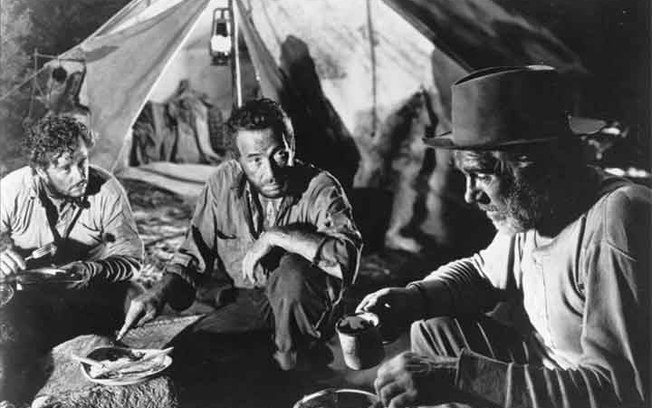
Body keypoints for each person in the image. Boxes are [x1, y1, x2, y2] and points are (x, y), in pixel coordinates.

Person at [357, 66, 650, 407]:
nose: (470, 196)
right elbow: (481, 273)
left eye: (482, 175)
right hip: (549, 372)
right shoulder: (538, 210)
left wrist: (458, 377)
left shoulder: (619, 219)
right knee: (431, 324)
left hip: (593, 394)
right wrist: (413, 298)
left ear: (534, 163)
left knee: (436, 372)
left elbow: (619, 393)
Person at [119, 98, 362, 370]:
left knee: (293, 271)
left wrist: (278, 236)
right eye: (255, 160)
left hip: (306, 308)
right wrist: (158, 292)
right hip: (250, 302)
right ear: (238, 160)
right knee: (186, 356)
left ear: (292, 146)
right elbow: (193, 254)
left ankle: (296, 363)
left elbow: (347, 259)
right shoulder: (222, 183)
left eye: (279, 155)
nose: (270, 173)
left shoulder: (321, 187)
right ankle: (270, 357)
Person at [0, 115, 144, 402]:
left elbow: (131, 258)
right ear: (41, 171)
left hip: (87, 292)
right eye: (66, 168)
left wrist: (92, 269)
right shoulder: (11, 190)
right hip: (27, 297)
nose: (80, 175)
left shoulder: (107, 189)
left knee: (137, 296)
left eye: (83, 161)